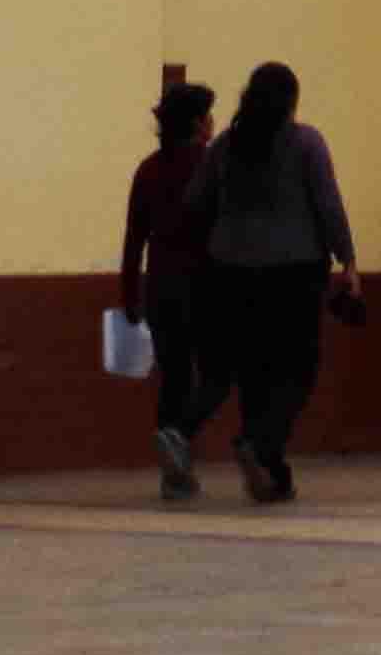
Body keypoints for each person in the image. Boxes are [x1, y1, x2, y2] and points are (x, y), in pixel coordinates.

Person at [192, 61, 353, 502]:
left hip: (230, 272)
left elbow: (197, 203)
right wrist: (348, 261)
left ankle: (271, 470)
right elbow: (328, 203)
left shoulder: (225, 145)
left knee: (253, 370)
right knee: (299, 368)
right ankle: (258, 444)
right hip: (294, 272)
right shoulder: (305, 142)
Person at [120, 78, 220, 500]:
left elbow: (133, 239)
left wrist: (129, 295)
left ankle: (173, 473)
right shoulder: (212, 165)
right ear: (199, 123)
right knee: (215, 373)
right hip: (206, 286)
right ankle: (180, 438)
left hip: (161, 288)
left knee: (173, 378)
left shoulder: (148, 169)